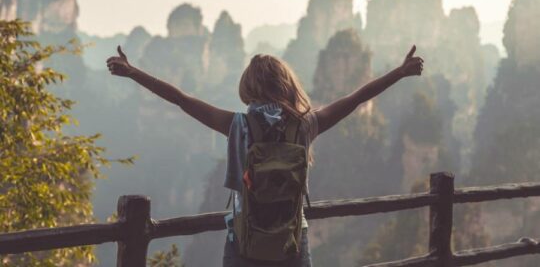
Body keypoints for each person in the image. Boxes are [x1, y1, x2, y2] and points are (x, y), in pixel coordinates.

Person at [106, 44, 424, 266]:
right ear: (287, 86)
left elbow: (181, 99)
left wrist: (133, 72)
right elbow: (355, 98)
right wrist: (400, 72)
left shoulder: (238, 126)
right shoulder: (306, 125)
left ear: (248, 87)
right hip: (292, 243)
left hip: (245, 245)